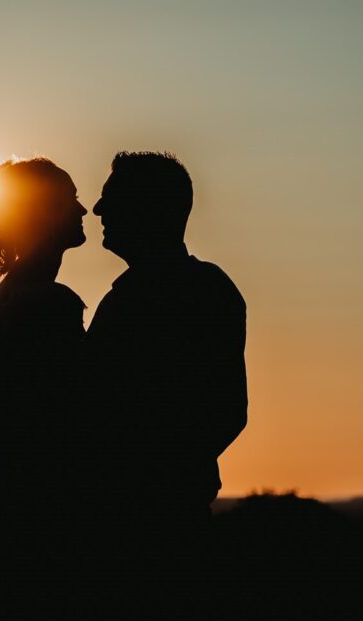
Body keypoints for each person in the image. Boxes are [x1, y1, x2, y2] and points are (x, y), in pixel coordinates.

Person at [85, 150, 247, 550]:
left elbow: (224, 410)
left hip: (148, 527)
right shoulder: (202, 289)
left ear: (148, 208)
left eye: (112, 197)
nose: (98, 208)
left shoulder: (195, 293)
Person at [0, 157, 88, 550]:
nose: (82, 209)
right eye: (70, 199)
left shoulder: (0, 299)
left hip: (11, 499)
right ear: (46, 212)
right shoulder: (50, 302)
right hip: (43, 513)